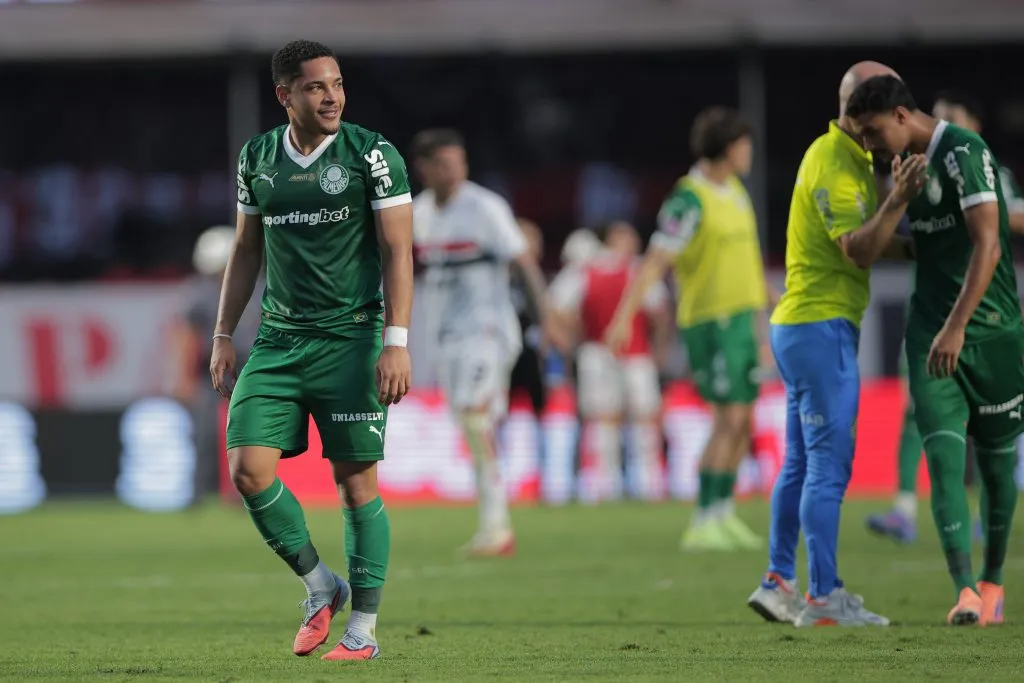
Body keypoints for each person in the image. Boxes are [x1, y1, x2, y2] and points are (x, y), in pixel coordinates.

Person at [210, 40, 414, 661]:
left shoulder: (372, 154)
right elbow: (246, 249)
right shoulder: (257, 157)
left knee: (355, 484)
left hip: (352, 339)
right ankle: (321, 585)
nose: (332, 97)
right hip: (278, 339)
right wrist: (223, 332)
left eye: (338, 84)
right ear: (285, 95)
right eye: (316, 86)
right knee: (248, 470)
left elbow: (398, 250)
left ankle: (364, 631)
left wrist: (396, 342)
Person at [747, 62, 922, 627]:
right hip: (819, 327)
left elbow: (873, 240)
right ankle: (824, 596)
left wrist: (921, 248)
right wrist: (899, 199)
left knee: (801, 462)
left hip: (807, 325)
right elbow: (858, 249)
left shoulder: (849, 157)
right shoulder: (834, 161)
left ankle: (778, 581)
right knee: (828, 465)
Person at [847, 74, 1024, 626]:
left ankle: (992, 582)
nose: (870, 145)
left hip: (990, 331)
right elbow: (904, 247)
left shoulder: (966, 152)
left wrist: (957, 326)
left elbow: (987, 246)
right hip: (929, 331)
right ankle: (964, 590)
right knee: (944, 459)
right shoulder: (901, 168)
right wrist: (893, 206)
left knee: (996, 467)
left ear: (902, 116)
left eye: (873, 132)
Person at [605, 107, 770, 550]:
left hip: (741, 320)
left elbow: (746, 262)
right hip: (710, 322)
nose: (750, 153)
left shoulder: (735, 191)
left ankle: (723, 512)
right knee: (727, 418)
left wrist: (763, 318)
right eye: (745, 145)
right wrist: (624, 317)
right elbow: (656, 260)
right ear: (728, 149)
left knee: (743, 420)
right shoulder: (689, 199)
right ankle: (703, 518)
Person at [411, 128, 557, 557]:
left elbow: (523, 262)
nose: (455, 171)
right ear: (424, 168)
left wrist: (546, 320)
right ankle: (492, 523)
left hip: (487, 332)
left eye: (459, 162)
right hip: (445, 338)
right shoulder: (419, 213)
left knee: (477, 420)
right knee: (471, 425)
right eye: (445, 163)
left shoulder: (485, 207)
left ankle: (497, 527)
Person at [550, 221, 670, 502]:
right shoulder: (634, 270)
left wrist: (569, 339)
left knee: (611, 419)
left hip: (606, 352)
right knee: (630, 418)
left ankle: (609, 482)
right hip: (626, 352)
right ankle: (643, 482)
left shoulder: (587, 270)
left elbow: (556, 306)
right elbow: (660, 313)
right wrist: (660, 347)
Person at [170, 226, 261, 506]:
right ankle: (197, 491)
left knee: (248, 432)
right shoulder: (201, 292)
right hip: (211, 369)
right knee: (205, 432)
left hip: (249, 366)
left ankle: (243, 490)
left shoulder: (258, 286)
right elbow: (188, 337)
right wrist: (185, 378)